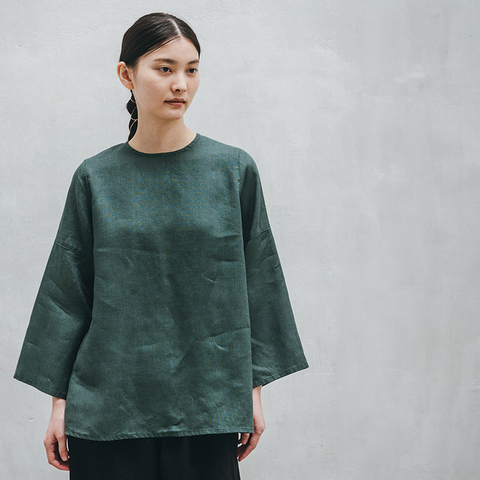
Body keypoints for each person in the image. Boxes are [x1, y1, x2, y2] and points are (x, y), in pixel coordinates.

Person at [14, 12, 309, 480]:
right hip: (108, 412)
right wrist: (60, 405)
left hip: (208, 406)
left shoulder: (233, 171)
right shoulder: (95, 177)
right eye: (164, 68)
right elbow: (67, 295)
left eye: (191, 69)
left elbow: (261, 283)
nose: (180, 84)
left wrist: (251, 393)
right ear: (126, 74)